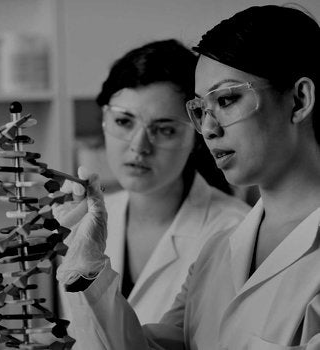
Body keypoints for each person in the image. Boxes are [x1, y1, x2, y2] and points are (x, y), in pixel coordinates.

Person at [55, 4, 320, 350]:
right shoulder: (216, 254)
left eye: (226, 100)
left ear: (299, 100)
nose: (208, 129)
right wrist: (87, 271)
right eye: (201, 110)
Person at [58, 39, 249, 326]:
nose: (140, 146)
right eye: (124, 122)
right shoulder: (82, 223)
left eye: (165, 130)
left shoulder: (236, 232)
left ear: (196, 135)